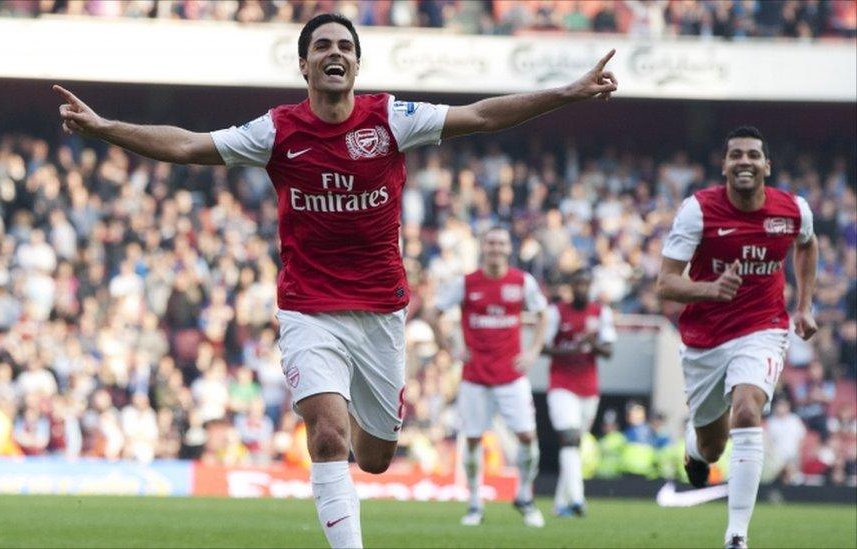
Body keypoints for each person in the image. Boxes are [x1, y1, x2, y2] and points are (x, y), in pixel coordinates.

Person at [55, 13, 617, 548]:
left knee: (375, 459)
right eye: (323, 46)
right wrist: (106, 128)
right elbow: (187, 145)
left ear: (356, 64)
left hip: (380, 313)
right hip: (308, 308)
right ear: (304, 66)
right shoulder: (276, 131)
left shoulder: (392, 120)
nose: (335, 53)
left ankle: (357, 402)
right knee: (327, 436)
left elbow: (483, 116)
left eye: (344, 47)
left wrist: (567, 92)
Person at [657, 126, 818, 549]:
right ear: (724, 165)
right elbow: (666, 284)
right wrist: (710, 289)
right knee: (712, 448)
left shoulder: (794, 210)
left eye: (752, 155)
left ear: (767, 165)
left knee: (747, 411)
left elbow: (807, 244)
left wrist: (804, 305)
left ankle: (736, 536)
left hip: (763, 328)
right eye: (736, 155)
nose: (744, 161)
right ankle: (694, 445)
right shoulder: (698, 211)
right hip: (705, 339)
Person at [435, 226, 549, 527]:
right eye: (491, 243)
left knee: (527, 436)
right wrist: (451, 347)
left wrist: (534, 351)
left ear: (508, 248)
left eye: (501, 242)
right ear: (483, 247)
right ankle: (474, 503)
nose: (496, 248)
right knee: (472, 439)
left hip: (511, 376)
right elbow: (435, 312)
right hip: (475, 376)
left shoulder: (522, 282)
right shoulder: (466, 283)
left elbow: (544, 315)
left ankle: (524, 496)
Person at [541, 268, 615, 517]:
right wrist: (572, 350)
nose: (582, 288)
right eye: (577, 284)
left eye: (586, 284)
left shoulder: (600, 312)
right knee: (570, 438)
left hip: (589, 387)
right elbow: (544, 347)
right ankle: (578, 499)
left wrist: (592, 344)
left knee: (573, 446)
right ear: (571, 286)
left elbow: (608, 351)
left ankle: (561, 504)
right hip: (561, 384)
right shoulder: (556, 312)